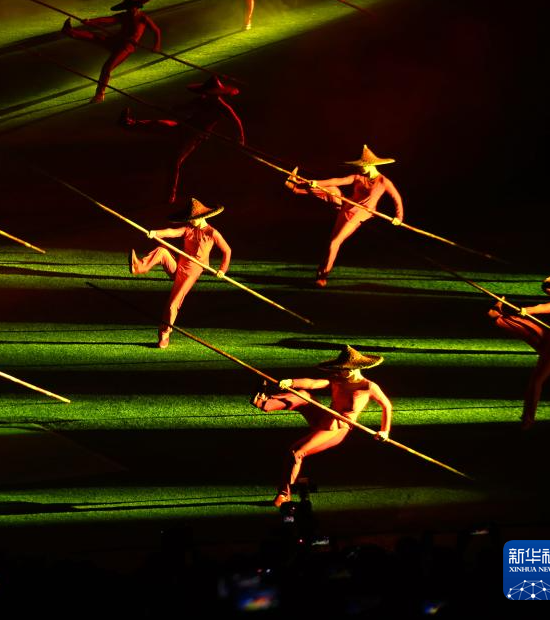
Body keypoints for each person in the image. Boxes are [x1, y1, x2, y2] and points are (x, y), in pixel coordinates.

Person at [251, 345, 392, 507]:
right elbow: (313, 383)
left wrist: (385, 431)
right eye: (339, 369)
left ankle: (284, 495)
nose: (339, 372)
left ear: (354, 369)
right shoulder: (338, 379)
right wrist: (291, 382)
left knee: (296, 452)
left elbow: (386, 405)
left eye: (343, 369)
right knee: (303, 395)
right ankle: (263, 402)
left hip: (337, 428)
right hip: (324, 418)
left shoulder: (369, 387)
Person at [286, 144, 403, 287]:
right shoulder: (358, 177)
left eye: (363, 166)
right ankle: (296, 187)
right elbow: (337, 180)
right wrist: (316, 183)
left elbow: (396, 198)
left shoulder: (384, 182)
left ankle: (322, 277)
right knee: (333, 189)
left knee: (334, 243)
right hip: (346, 208)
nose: (360, 168)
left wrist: (399, 217)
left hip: (357, 216)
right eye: (359, 166)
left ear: (371, 165)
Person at [120, 76, 245, 203]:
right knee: (158, 124)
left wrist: (240, 139)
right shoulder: (201, 100)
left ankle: (170, 196)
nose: (206, 95)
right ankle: (128, 123)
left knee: (174, 161)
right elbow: (183, 107)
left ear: (216, 94)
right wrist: (167, 108)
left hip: (195, 136)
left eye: (209, 93)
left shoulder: (222, 107)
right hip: (184, 126)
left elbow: (236, 121)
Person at [129, 198, 231, 348]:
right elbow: (172, 232)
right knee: (162, 251)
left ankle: (165, 335)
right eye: (189, 219)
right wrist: (155, 233)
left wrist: (222, 270)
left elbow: (227, 251)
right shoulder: (188, 228)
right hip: (179, 268)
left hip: (191, 273)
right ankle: (139, 267)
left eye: (193, 219)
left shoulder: (212, 233)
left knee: (173, 305)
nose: (191, 221)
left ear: (202, 217)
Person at [488, 271, 550, 430]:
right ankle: (497, 317)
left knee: (537, 381)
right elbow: (549, 306)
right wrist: (527, 310)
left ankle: (528, 419)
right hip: (549, 338)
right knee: (524, 324)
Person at [60, 0, 161, 103]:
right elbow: (107, 19)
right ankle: (69, 31)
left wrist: (157, 45)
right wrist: (91, 21)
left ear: (137, 6)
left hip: (127, 47)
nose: (129, 10)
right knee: (95, 36)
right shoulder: (123, 16)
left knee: (107, 67)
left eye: (131, 7)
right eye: (128, 8)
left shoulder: (143, 18)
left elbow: (156, 30)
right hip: (116, 40)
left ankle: (99, 95)